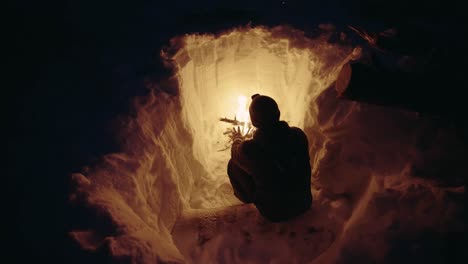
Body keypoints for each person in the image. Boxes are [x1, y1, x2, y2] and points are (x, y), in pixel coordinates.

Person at [227, 94, 312, 222]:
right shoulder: (298, 134)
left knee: (233, 164)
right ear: (278, 113)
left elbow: (235, 153)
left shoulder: (250, 149)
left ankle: (246, 197)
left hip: (274, 212)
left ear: (254, 121)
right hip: (304, 202)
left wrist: (238, 139)